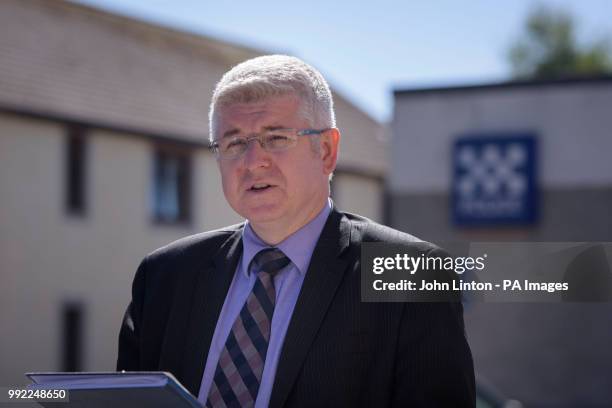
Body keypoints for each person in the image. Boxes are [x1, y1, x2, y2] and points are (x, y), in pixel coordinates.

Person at [117, 55, 475, 407]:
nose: (253, 161)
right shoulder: (165, 275)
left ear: (326, 151)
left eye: (276, 138)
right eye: (234, 142)